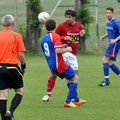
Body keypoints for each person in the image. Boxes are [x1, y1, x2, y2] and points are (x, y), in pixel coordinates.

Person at [41, 19, 86, 107]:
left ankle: (76, 100)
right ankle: (68, 102)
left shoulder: (43, 38)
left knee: (70, 79)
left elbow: (52, 50)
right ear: (55, 26)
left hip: (52, 65)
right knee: (75, 78)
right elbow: (58, 51)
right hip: (59, 64)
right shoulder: (55, 36)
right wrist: (67, 49)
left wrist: (62, 46)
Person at [0, 14, 26, 120]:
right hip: (12, 68)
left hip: (0, 68)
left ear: (2, 25)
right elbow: (21, 55)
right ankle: (10, 112)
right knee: (19, 91)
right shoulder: (17, 36)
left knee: (3, 95)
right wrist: (23, 66)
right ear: (13, 24)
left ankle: (3, 118)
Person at [98, 7, 120, 86]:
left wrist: (115, 40)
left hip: (115, 44)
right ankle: (107, 80)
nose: (108, 14)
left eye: (109, 13)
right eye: (107, 13)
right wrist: (104, 36)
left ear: (112, 14)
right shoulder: (107, 22)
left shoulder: (116, 22)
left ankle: (106, 80)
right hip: (112, 44)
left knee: (104, 60)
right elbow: (110, 32)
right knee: (110, 63)